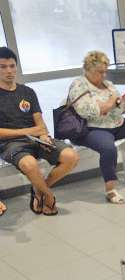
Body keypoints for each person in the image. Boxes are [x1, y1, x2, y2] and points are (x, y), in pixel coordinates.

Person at [68, 51, 125, 204]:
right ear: (88, 70)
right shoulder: (79, 85)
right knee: (109, 149)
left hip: (116, 124)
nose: (103, 75)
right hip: (93, 128)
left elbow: (121, 109)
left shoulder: (108, 85)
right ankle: (110, 189)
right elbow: (87, 111)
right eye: (100, 72)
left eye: (105, 71)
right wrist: (111, 104)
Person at [0, 47, 79, 216]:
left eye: (12, 66)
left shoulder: (27, 92)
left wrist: (43, 135)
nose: (9, 71)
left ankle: (39, 191)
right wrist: (28, 130)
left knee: (71, 157)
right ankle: (48, 196)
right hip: (9, 144)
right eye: (3, 67)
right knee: (30, 164)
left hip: (36, 139)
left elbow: (39, 122)